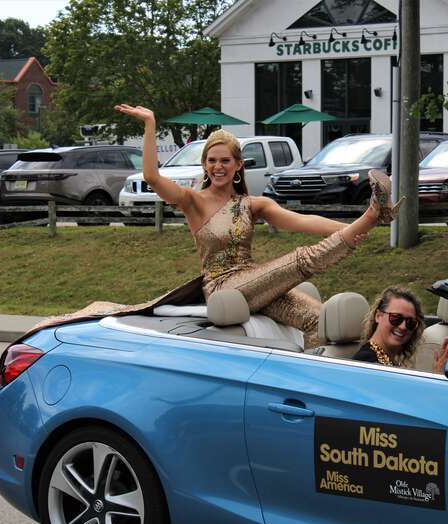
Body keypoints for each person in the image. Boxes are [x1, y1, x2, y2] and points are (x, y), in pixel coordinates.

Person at [114, 104, 401, 347]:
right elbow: (152, 177)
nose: (218, 166)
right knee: (301, 259)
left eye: (225, 160)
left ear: (238, 165)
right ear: (204, 165)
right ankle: (373, 213)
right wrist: (150, 124)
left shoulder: (253, 204)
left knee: (322, 320)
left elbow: (303, 221)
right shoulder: (193, 201)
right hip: (223, 287)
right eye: (212, 161)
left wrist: (348, 228)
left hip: (255, 282)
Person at [354, 287, 448, 373]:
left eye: (411, 322)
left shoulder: (387, 360)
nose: (403, 327)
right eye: (395, 318)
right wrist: (438, 375)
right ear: (378, 316)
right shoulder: (367, 363)